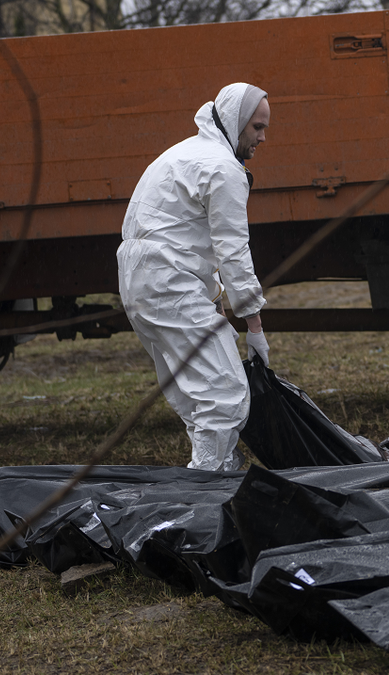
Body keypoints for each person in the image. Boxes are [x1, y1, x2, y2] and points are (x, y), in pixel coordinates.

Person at [117, 82, 271, 471]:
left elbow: (181, 234)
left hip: (141, 281)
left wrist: (214, 301)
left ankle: (219, 468)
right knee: (223, 394)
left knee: (198, 395)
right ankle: (205, 490)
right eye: (256, 127)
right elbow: (232, 250)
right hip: (168, 283)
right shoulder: (224, 169)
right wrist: (254, 326)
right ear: (236, 123)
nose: (263, 137)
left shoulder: (185, 152)